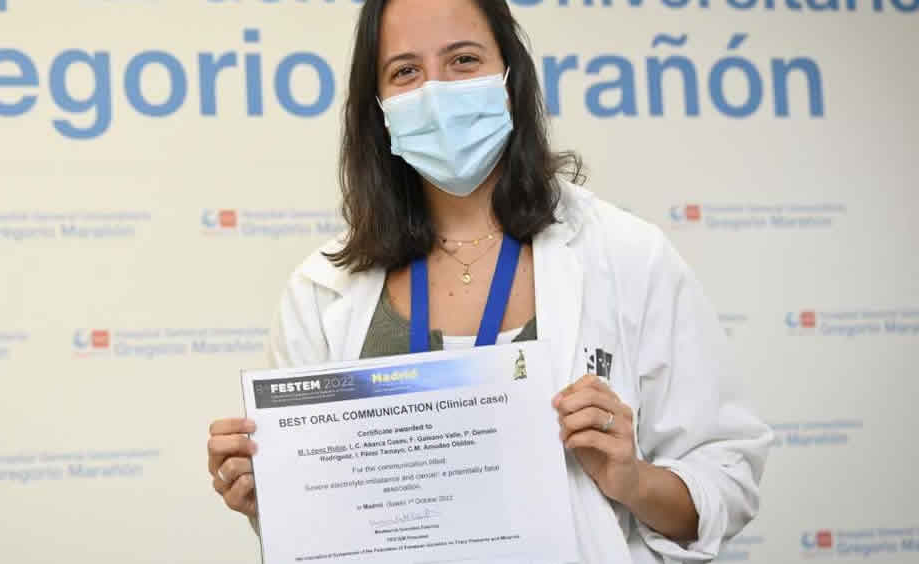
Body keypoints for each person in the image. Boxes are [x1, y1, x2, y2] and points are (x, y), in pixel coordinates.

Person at [206, 0, 772, 561]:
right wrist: (273, 495)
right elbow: (326, 530)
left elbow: (725, 482)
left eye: (463, 60)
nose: (436, 92)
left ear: (509, 77)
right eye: (405, 71)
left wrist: (631, 479)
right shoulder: (321, 289)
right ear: (377, 107)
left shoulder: (625, 255)